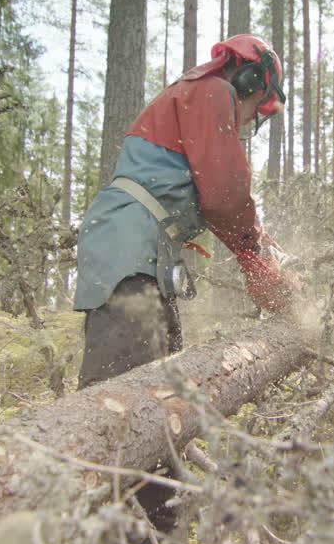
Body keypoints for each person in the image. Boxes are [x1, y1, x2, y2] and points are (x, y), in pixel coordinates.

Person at [74, 33, 299, 389]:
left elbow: (222, 193)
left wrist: (264, 248)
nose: (250, 118)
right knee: (120, 388)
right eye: (258, 103)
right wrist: (253, 253)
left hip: (142, 248)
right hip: (129, 246)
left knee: (162, 387)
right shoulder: (212, 91)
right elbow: (224, 194)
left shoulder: (193, 96)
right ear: (250, 79)